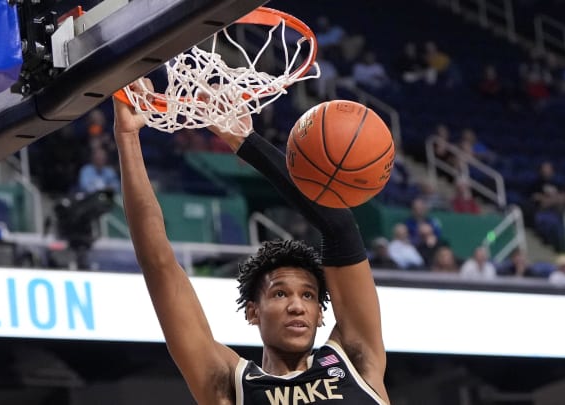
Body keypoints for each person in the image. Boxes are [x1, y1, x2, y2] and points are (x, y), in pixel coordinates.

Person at [112, 82, 389, 404]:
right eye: (280, 293)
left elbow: (339, 227)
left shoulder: (356, 360)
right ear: (252, 312)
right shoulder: (231, 384)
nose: (297, 306)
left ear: (320, 314)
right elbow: (158, 264)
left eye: (309, 295)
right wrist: (128, 137)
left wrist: (245, 141)